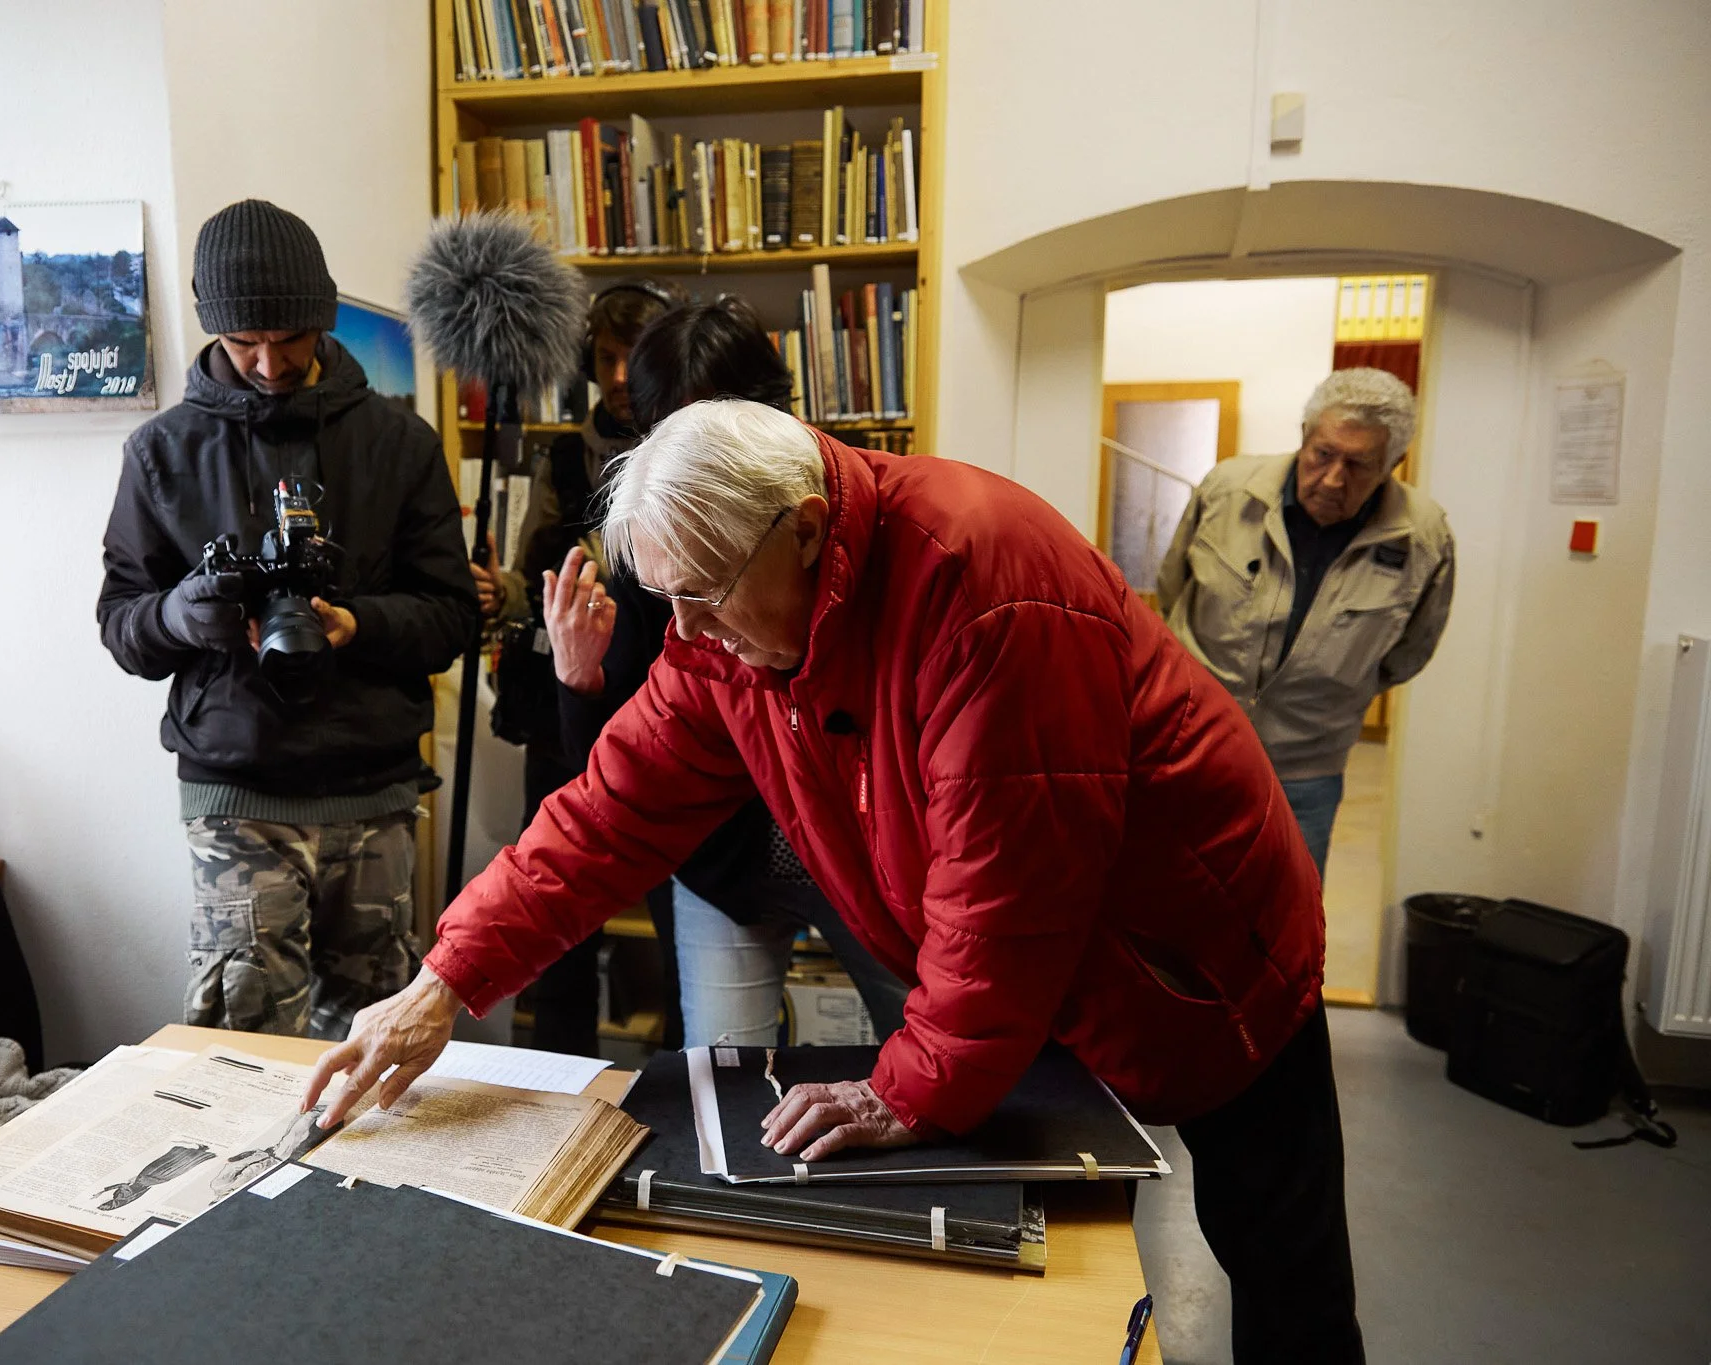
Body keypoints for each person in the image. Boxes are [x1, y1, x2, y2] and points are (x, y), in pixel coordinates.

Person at [306, 400, 1362, 1362]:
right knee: (1050, 1283)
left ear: (806, 530)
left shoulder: (985, 583)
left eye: (701, 597)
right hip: (1036, 988)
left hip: (1195, 966)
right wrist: (444, 980)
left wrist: (905, 1086)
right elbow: (607, 813)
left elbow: (1009, 894)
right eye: (663, 601)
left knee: (1282, 1277)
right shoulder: (728, 622)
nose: (683, 635)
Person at [98, 199, 475, 1040]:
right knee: (242, 1053)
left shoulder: (399, 443)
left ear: (325, 317)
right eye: (245, 344)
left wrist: (357, 625)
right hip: (237, 798)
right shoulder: (159, 454)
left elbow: (453, 617)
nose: (271, 364)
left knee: (381, 1057)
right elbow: (122, 625)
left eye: (293, 339)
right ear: (213, 331)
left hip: (373, 795)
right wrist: (180, 614)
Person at [540, 297, 906, 1046]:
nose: (691, 458)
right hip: (720, 863)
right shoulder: (653, 538)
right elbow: (621, 773)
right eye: (668, 433)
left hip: (861, 851)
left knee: (918, 1041)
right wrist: (580, 682)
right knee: (722, 1074)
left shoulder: (846, 509)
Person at [469, 279, 677, 1056]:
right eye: (608, 356)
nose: (621, 374)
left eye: (634, 356)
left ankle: (686, 1089)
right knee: (557, 912)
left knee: (680, 916)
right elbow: (536, 571)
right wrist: (507, 591)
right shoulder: (564, 455)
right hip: (563, 721)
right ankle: (559, 1085)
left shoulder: (689, 451)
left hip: (662, 718)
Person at [1157, 367, 1455, 877]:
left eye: (1360, 465)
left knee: (1280, 924)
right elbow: (1170, 591)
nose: (1334, 479)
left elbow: (1410, 651)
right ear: (1303, 437)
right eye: (1323, 454)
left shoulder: (1422, 537)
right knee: (1164, 901)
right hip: (1192, 747)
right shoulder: (1228, 491)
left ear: (1393, 464)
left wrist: (1333, 690)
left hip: (1306, 770)